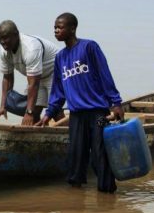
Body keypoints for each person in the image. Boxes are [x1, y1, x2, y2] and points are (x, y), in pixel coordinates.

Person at [39, 12, 124, 193]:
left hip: (98, 114)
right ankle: (75, 196)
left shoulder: (89, 47)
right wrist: (48, 113)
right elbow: (58, 90)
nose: (56, 30)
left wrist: (116, 103)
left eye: (60, 27)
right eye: (54, 27)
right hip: (76, 115)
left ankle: (107, 192)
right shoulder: (60, 57)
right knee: (75, 156)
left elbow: (105, 75)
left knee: (100, 153)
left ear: (72, 28)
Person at [0, 20, 62, 126]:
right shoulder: (4, 51)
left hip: (56, 72)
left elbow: (33, 83)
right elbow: (7, 78)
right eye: (0, 39)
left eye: (5, 38)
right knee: (33, 112)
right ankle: (38, 139)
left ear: (16, 35)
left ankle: (68, 138)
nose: (2, 42)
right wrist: (3, 105)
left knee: (55, 111)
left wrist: (28, 112)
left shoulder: (30, 48)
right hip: (37, 76)